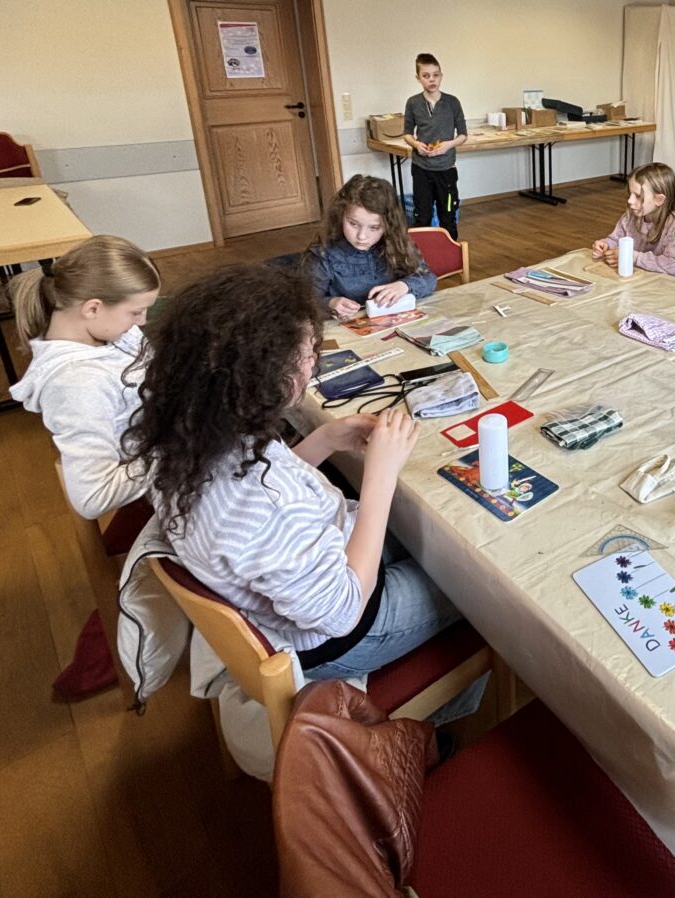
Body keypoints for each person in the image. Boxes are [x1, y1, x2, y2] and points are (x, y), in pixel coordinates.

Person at [122, 263, 479, 698]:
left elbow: (268, 488)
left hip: (322, 564)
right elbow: (344, 608)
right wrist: (380, 478)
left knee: (449, 533)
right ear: (266, 374)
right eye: (310, 354)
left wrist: (326, 437)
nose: (314, 364)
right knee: (480, 586)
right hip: (344, 629)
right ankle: (447, 713)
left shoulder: (197, 432)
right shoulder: (264, 507)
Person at [8, 235, 160, 519]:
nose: (142, 322)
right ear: (92, 308)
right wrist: (176, 450)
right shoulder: (77, 384)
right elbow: (92, 498)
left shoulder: (113, 332)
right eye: (136, 312)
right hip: (157, 486)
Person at [306, 175, 437, 321]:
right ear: (340, 215)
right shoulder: (323, 254)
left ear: (388, 226)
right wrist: (330, 303)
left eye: (374, 228)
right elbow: (305, 301)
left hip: (393, 323)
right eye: (353, 224)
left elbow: (429, 279)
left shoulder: (396, 243)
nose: (362, 236)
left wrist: (404, 286)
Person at [402, 52, 467, 240]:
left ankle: (451, 258)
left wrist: (448, 145)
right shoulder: (413, 103)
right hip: (421, 169)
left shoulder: (452, 102)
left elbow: (463, 135)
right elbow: (407, 133)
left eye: (435, 75)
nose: (432, 80)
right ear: (418, 78)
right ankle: (421, 259)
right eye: (426, 76)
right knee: (423, 216)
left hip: (446, 169)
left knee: (448, 215)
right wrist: (416, 144)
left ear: (441, 75)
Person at [591, 162, 675, 277]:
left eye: (638, 196)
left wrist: (633, 257)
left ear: (659, 200)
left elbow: (674, 267)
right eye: (630, 193)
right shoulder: (630, 217)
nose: (630, 200)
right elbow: (615, 239)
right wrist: (606, 244)